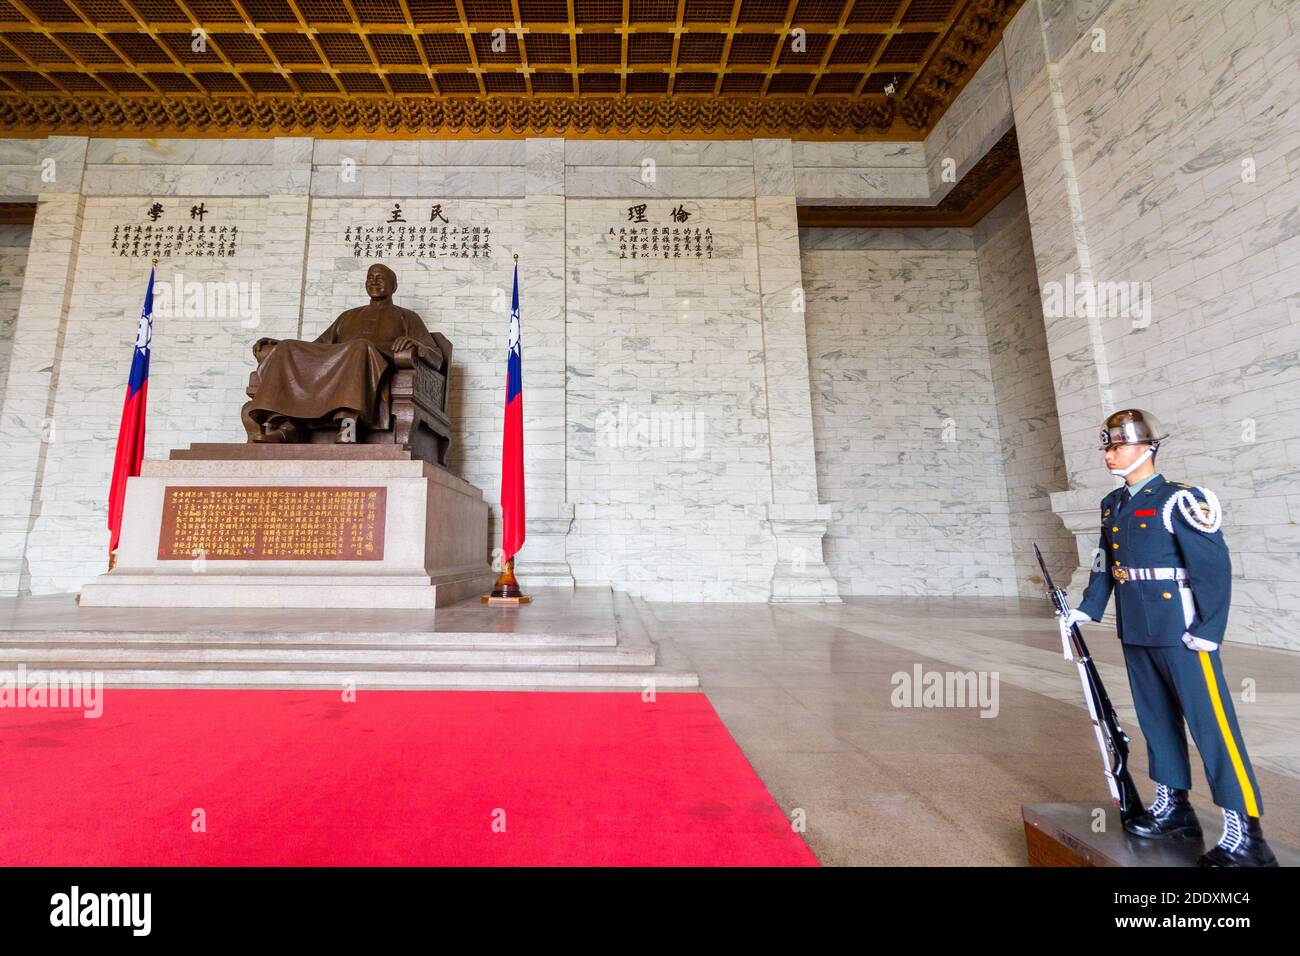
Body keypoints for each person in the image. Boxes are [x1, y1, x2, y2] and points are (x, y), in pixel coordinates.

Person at [1058, 409, 1277, 867]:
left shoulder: (1181, 500)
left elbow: (1213, 569)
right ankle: (1174, 806)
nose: (1110, 455)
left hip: (1182, 631)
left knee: (1212, 726)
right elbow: (1106, 563)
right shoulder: (1113, 504)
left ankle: (1244, 830)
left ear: (1149, 449)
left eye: (1119, 446)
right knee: (1155, 719)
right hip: (1137, 628)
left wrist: (1209, 630)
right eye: (1107, 447)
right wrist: (1088, 607)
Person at [242, 263, 442, 444]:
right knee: (287, 347)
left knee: (360, 346)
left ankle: (348, 424)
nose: (373, 281)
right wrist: (280, 346)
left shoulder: (406, 316)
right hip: (341, 361)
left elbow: (437, 358)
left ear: (394, 286)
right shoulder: (348, 316)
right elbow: (318, 347)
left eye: (380, 278)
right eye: (370, 278)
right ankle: (286, 426)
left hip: (373, 363)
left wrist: (415, 344)